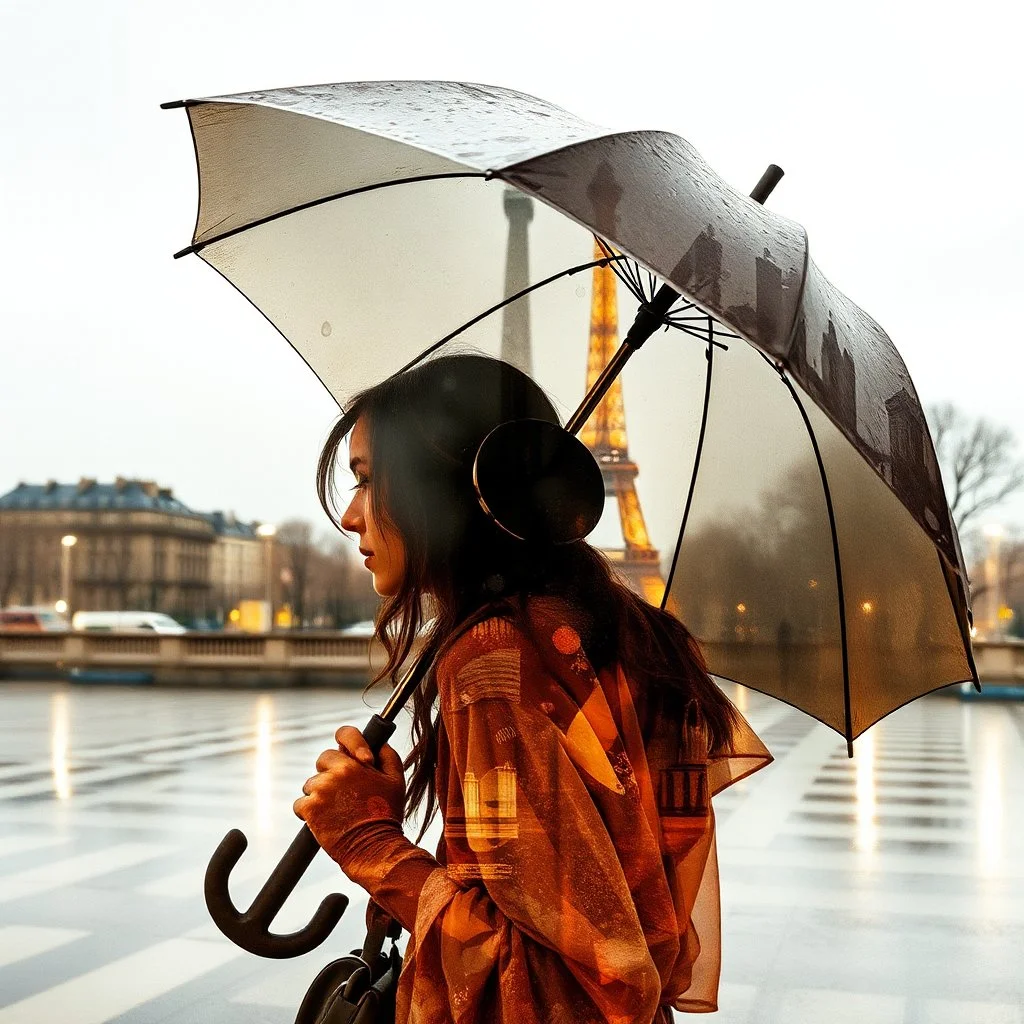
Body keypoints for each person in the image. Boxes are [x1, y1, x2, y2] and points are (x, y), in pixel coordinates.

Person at [294, 354, 772, 1022]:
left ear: (440, 487)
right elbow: (586, 922)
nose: (350, 516)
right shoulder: (630, 635)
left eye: (369, 481)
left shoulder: (495, 660)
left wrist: (371, 844)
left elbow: (567, 988)